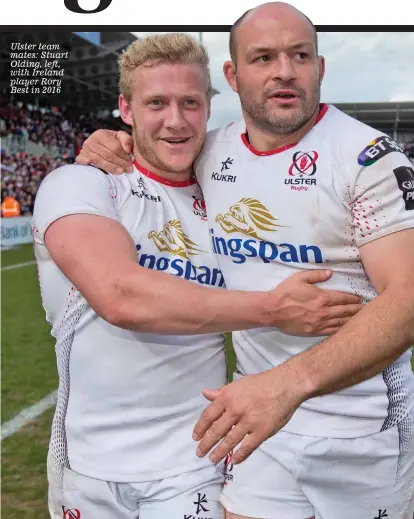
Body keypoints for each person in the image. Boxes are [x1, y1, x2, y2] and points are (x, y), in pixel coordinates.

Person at [77, 4, 414, 519]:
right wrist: (109, 143)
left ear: (320, 68)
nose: (284, 70)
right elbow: (151, 150)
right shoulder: (212, 153)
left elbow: (408, 298)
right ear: (233, 76)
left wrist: (286, 385)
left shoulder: (368, 158)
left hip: (362, 432)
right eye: (263, 57)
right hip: (257, 428)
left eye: (299, 55)